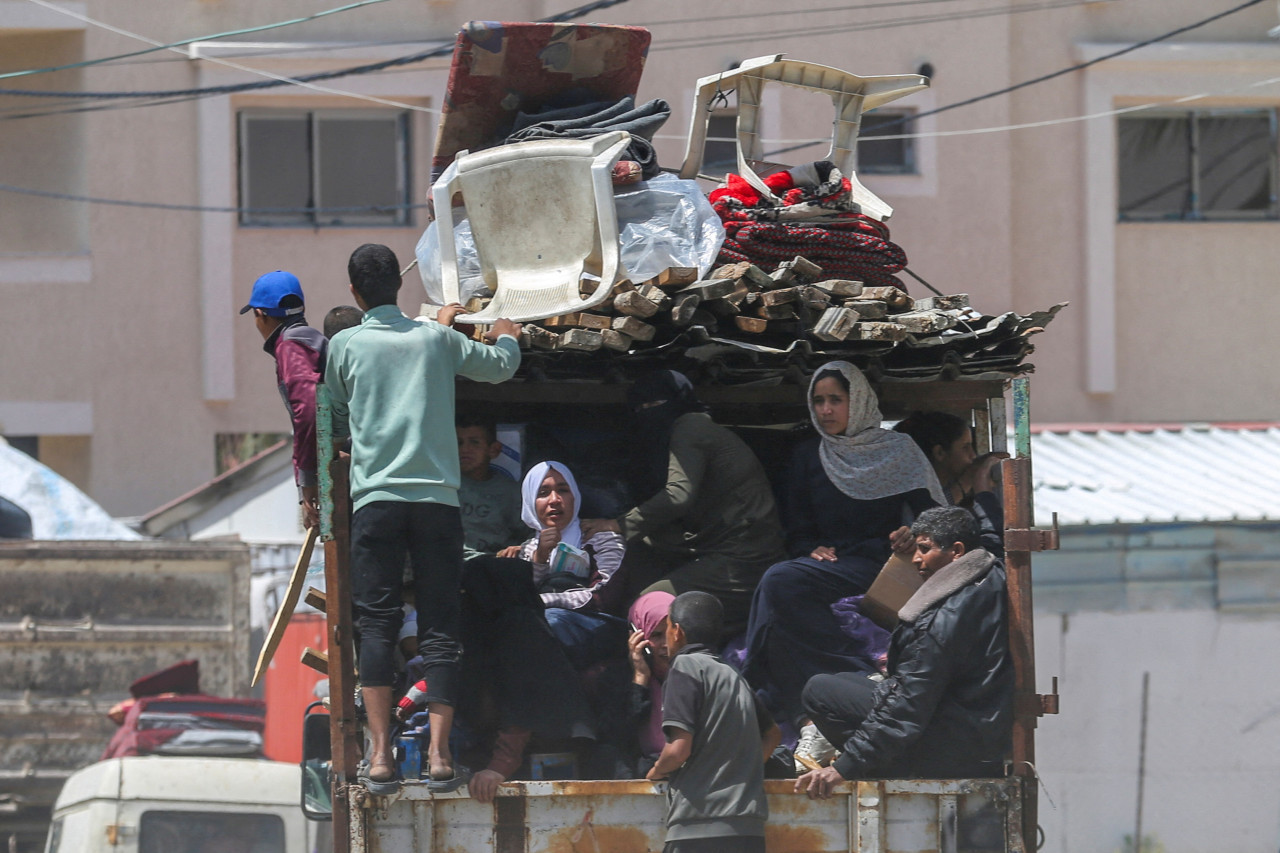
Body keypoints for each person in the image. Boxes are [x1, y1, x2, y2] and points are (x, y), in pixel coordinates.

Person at [324, 243, 521, 794]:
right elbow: (503, 367)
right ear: (397, 286)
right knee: (440, 626)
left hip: (376, 504)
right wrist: (507, 329)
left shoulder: (345, 344)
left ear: (356, 294)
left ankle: (382, 757)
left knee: (379, 625)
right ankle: (438, 757)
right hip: (436, 504)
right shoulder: (437, 339)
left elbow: (334, 409)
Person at [742, 361, 946, 746]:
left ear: (860, 401)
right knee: (781, 589)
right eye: (818, 401)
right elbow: (796, 528)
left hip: (883, 565)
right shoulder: (809, 455)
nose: (825, 410)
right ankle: (811, 713)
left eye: (836, 400)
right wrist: (808, 548)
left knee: (779, 580)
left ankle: (756, 682)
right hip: (831, 565)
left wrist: (913, 534)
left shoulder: (898, 449)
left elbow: (934, 517)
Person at [795, 506, 1013, 797]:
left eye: (925, 549)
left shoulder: (943, 621)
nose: (916, 559)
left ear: (957, 551)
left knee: (819, 691)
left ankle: (898, 767)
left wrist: (844, 768)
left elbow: (908, 706)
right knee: (846, 681)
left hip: (952, 743)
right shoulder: (990, 569)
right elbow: (992, 536)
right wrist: (984, 492)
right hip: (973, 727)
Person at [582, 370, 786, 638]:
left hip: (745, 558)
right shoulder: (684, 432)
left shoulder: (690, 426)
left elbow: (677, 496)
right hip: (722, 552)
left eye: (655, 405)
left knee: (647, 608)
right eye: (640, 408)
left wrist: (617, 524)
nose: (648, 413)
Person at [646, 591, 781, 853]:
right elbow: (773, 735)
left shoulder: (684, 667)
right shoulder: (732, 675)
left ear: (677, 631)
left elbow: (678, 750)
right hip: (747, 829)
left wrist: (657, 771)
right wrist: (740, 771)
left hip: (699, 827)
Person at [502, 461, 628, 669]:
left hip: (596, 623)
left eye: (563, 490)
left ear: (575, 497)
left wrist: (543, 601)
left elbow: (603, 596)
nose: (555, 500)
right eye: (543, 493)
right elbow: (520, 596)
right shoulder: (529, 548)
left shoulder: (601, 538)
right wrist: (540, 559)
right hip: (546, 620)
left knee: (550, 622)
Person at [240, 270, 327, 530]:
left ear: (260, 314)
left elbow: (309, 411)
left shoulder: (290, 346)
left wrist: (308, 480)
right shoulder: (312, 339)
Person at [893, 410, 1006, 554]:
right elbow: (933, 517)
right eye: (965, 447)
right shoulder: (908, 499)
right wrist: (975, 483)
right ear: (939, 452)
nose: (973, 455)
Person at [455, 414, 525, 560]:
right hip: (451, 562)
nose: (465, 449)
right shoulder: (445, 485)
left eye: (474, 442)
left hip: (493, 563)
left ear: (494, 450)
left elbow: (528, 532)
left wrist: (520, 548)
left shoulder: (510, 491)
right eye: (459, 443)